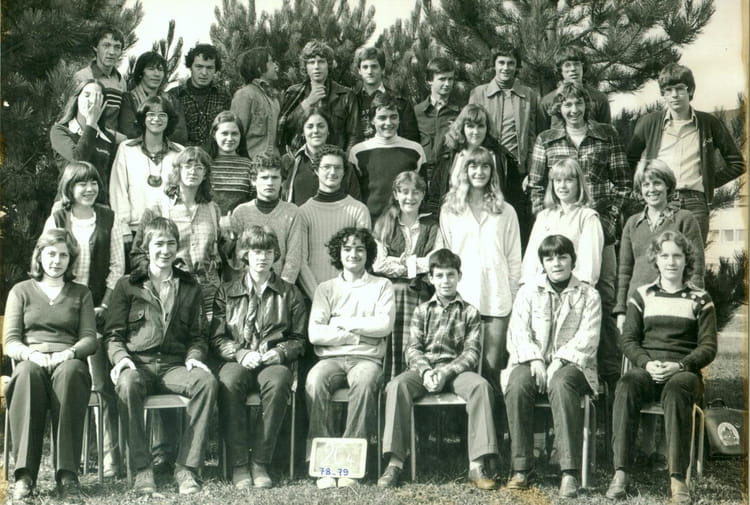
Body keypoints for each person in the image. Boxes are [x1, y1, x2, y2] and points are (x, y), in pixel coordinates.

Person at [527, 81, 632, 394]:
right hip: (558, 237)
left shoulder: (606, 135)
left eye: (578, 104)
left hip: (599, 233)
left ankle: (607, 377)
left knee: (604, 299)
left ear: (588, 106)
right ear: (559, 108)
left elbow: (623, 183)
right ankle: (557, 367)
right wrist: (551, 224)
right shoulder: (547, 139)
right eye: (567, 105)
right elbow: (536, 187)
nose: (573, 110)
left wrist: (606, 222)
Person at [105, 217, 218, 496]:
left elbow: (198, 335)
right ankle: (142, 470)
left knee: (206, 382)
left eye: (171, 243)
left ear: (177, 247)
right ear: (146, 247)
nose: (165, 250)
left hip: (173, 366)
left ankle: (186, 468)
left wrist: (194, 356)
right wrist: (121, 358)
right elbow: (113, 334)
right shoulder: (127, 285)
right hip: (138, 364)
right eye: (158, 244)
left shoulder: (189, 286)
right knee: (127, 384)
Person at [606, 230, 717, 504]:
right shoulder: (642, 295)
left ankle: (677, 478)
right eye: (665, 255)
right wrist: (646, 363)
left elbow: (708, 347)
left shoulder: (701, 298)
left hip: (683, 374)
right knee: (626, 384)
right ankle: (621, 472)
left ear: (686, 260)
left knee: (678, 389)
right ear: (655, 259)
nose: (671, 262)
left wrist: (681, 365)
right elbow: (628, 340)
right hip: (648, 370)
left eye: (677, 256)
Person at [378, 248, 499, 490]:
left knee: (481, 387)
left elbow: (471, 352)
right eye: (440, 276)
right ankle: (395, 464)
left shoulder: (470, 312)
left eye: (451, 275)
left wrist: (445, 373)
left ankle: (477, 466)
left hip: (455, 372)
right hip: (423, 371)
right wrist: (426, 371)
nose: (446, 281)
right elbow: (412, 348)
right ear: (430, 278)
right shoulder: (421, 310)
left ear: (459, 276)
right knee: (397, 386)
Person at [503, 234, 601, 498]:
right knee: (517, 383)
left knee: (561, 383)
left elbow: (588, 338)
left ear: (572, 260)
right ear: (543, 263)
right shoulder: (528, 291)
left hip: (574, 365)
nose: (556, 263)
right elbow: (518, 331)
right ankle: (521, 467)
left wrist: (558, 361)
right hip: (532, 361)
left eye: (562, 257)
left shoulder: (589, 295)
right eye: (549, 258)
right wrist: (535, 359)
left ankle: (568, 471)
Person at [43, 161, 125, 477]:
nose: (89, 189)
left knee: (102, 384)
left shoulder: (108, 217)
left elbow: (117, 269)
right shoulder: (58, 217)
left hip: (101, 312)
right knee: (67, 382)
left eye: (93, 182)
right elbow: (48, 261)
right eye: (82, 183)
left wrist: (103, 304)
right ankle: (70, 458)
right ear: (69, 187)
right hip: (65, 312)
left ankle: (110, 458)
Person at [210, 226, 307, 489]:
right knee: (229, 382)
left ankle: (260, 462)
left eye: (268, 251)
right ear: (245, 254)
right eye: (256, 251)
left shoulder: (289, 293)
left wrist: (280, 352)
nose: (262, 257)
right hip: (237, 360)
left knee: (278, 382)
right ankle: (239, 463)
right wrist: (240, 353)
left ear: (276, 255)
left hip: (272, 362)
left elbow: (299, 339)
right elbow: (216, 338)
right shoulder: (227, 291)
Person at [4, 229, 97, 500]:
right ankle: (24, 477)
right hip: (32, 360)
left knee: (72, 373)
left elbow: (89, 338)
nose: (57, 261)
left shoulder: (81, 293)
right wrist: (30, 355)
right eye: (51, 254)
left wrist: (69, 353)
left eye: (63, 255)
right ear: (39, 256)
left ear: (71, 260)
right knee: (26, 374)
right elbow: (10, 341)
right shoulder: (20, 291)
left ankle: (67, 476)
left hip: (66, 361)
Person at [305, 227, 395, 489]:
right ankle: (323, 462)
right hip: (331, 359)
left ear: (368, 254)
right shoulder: (325, 289)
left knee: (365, 383)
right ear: (338, 253)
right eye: (347, 249)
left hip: (367, 360)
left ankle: (350, 462)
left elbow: (384, 326)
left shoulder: (382, 285)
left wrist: (341, 322)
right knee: (314, 381)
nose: (353, 254)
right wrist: (358, 335)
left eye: (359, 249)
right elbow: (315, 333)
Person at [625, 63, 745, 243]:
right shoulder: (649, 122)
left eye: (680, 88)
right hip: (660, 200)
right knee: (658, 255)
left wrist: (708, 182)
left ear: (691, 91)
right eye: (668, 90)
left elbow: (737, 163)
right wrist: (642, 188)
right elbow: (629, 160)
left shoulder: (708, 123)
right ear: (663, 93)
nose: (674, 95)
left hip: (695, 204)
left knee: (693, 257)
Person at [440, 146, 521, 394]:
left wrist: (513, 299)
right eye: (473, 165)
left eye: (485, 166)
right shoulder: (450, 210)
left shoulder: (506, 211)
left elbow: (514, 260)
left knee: (491, 369)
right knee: (462, 370)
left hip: (497, 301)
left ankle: (494, 420)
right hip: (462, 300)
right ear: (464, 170)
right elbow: (445, 257)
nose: (479, 171)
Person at [131, 147, 223, 318]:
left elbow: (220, 252)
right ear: (177, 170)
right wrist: (157, 282)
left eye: (199, 167)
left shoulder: (213, 209)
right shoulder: (158, 207)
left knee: (211, 331)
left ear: (205, 174)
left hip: (209, 289)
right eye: (188, 166)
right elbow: (138, 253)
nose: (193, 171)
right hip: (173, 287)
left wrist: (232, 237)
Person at [469, 42, 545, 249]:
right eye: (501, 62)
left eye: (510, 63)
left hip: (518, 172)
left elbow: (534, 135)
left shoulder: (528, 95)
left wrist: (531, 171)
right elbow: (471, 131)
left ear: (517, 66)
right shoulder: (479, 93)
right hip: (489, 167)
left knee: (519, 225)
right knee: (489, 222)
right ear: (494, 65)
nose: (506, 68)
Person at [614, 159, 705, 332]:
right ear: (640, 189)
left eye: (657, 183)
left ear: (668, 186)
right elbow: (624, 272)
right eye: (646, 184)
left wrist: (695, 306)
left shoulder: (685, 219)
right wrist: (621, 311)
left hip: (674, 305)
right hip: (638, 305)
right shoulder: (632, 224)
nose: (652, 189)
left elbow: (696, 269)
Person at [373, 171, 441, 380]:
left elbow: (434, 260)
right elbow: (378, 263)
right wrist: (412, 265)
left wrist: (404, 263)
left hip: (421, 293)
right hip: (391, 295)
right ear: (396, 194)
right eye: (404, 192)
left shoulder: (432, 225)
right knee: (396, 290)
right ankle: (389, 382)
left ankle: (414, 378)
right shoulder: (385, 223)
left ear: (423, 195)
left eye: (415, 192)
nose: (410, 197)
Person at [109, 95, 184, 255]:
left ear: (169, 120)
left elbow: (184, 193)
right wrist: (123, 227)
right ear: (143, 118)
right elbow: (118, 189)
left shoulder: (180, 152)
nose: (156, 119)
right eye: (151, 114)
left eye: (162, 115)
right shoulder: (126, 149)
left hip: (170, 230)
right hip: (134, 229)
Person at [298, 144, 371, 300]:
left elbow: (363, 257)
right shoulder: (303, 212)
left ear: (344, 172)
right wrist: (319, 298)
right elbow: (301, 262)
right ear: (316, 170)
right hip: (313, 297)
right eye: (326, 167)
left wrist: (349, 295)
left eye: (338, 167)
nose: (332, 172)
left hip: (351, 297)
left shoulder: (359, 210)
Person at [521, 158, 604, 286]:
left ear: (579, 183)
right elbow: (531, 259)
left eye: (569, 180)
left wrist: (578, 291)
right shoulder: (543, 216)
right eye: (558, 181)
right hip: (542, 289)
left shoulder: (587, 217)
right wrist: (527, 286)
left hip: (574, 289)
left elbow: (589, 267)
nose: (562, 186)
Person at [349, 93, 426, 221]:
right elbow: (354, 195)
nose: (388, 123)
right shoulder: (358, 152)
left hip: (405, 223)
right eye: (382, 118)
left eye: (393, 117)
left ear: (399, 119)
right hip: (371, 223)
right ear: (372, 120)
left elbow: (422, 191)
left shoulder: (415, 150)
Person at [230, 153, 303, 284]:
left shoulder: (292, 212)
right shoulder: (241, 212)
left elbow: (294, 257)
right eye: (264, 177)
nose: (270, 183)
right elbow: (238, 257)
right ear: (253, 180)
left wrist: (283, 287)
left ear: (282, 181)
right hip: (247, 286)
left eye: (275, 177)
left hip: (280, 286)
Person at [423, 103, 506, 215]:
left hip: (491, 219)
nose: (475, 132)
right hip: (454, 218)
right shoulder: (448, 156)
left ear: (487, 128)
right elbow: (435, 197)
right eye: (470, 126)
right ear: (462, 128)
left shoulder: (500, 157)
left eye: (481, 126)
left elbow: (514, 200)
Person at [277, 40, 354, 153]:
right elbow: (284, 129)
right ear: (305, 67)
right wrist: (307, 103)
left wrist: (343, 159)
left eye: (321, 62)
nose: (316, 67)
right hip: (301, 157)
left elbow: (354, 136)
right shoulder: (293, 93)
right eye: (311, 62)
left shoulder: (346, 95)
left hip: (334, 158)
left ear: (329, 65)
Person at [50, 79, 121, 202]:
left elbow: (111, 178)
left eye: (97, 97)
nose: (91, 101)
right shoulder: (60, 131)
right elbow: (78, 160)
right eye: (87, 95)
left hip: (98, 206)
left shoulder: (107, 138)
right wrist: (91, 123)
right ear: (76, 99)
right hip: (68, 204)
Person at [281, 110, 360, 205]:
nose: (315, 131)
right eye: (310, 127)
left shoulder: (342, 163)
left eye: (321, 126)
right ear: (302, 132)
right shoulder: (290, 161)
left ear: (328, 131)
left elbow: (356, 202)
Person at [350, 45, 419, 144]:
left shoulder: (399, 102)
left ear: (382, 69)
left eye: (374, 66)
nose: (369, 71)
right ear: (359, 71)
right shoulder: (352, 101)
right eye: (365, 67)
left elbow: (411, 139)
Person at [168, 43, 231, 147]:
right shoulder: (174, 95)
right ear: (190, 67)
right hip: (183, 154)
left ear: (215, 69)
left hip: (214, 154)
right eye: (199, 67)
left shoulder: (223, 95)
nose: (204, 73)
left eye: (209, 68)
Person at [118, 51, 188, 145]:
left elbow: (181, 135)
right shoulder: (128, 99)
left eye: (160, 69)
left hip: (168, 151)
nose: (157, 74)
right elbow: (130, 132)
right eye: (151, 69)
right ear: (141, 72)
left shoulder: (172, 100)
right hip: (137, 150)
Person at [540, 46, 611, 129]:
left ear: (582, 67)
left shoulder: (599, 98)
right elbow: (543, 134)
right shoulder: (547, 101)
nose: (573, 69)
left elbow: (606, 132)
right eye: (567, 65)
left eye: (577, 64)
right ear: (560, 70)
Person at [231, 47, 281, 160]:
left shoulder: (274, 98)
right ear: (259, 68)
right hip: (251, 165)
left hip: (273, 165)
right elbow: (235, 135)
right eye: (271, 62)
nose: (276, 66)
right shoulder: (245, 95)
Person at [73, 26, 126, 131]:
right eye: (106, 45)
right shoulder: (82, 77)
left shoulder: (121, 81)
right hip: (88, 136)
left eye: (117, 47)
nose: (112, 52)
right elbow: (74, 119)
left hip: (113, 140)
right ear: (95, 47)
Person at [414, 56, 460, 169]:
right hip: (423, 171)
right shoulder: (416, 112)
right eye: (442, 79)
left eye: (450, 79)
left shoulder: (459, 113)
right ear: (429, 80)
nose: (447, 84)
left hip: (449, 171)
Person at [206, 110, 256, 215]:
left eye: (234, 134)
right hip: (208, 219)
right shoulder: (205, 163)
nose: (229, 138)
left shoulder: (249, 165)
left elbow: (254, 200)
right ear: (214, 135)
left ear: (240, 136)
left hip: (241, 220)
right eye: (224, 133)